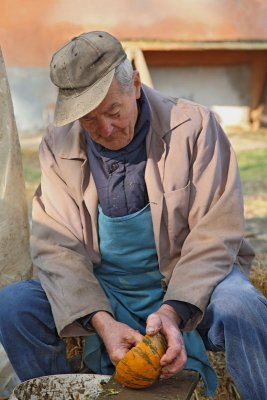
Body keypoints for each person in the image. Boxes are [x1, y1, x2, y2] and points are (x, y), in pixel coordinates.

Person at [0, 31, 266, 399]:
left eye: (113, 111)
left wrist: (173, 310)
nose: (104, 130)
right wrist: (101, 320)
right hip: (105, 291)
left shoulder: (196, 127)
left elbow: (216, 232)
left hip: (186, 282)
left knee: (243, 307)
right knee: (15, 305)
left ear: (136, 85)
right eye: (89, 120)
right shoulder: (57, 144)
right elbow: (56, 245)